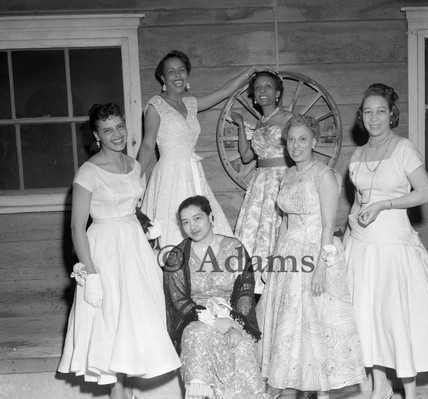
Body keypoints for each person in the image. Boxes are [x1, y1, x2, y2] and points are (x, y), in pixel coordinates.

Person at [58, 103, 181, 399]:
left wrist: (147, 230)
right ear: (96, 136)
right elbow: (77, 228)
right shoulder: (87, 172)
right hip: (104, 248)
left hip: (133, 247)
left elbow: (132, 206)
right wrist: (91, 273)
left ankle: (126, 389)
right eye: (107, 130)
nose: (116, 134)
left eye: (120, 126)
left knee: (134, 317)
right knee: (111, 318)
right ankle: (118, 392)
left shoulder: (134, 165)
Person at [343, 83, 428, 399]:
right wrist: (345, 239)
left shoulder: (404, 148)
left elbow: (424, 192)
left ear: (391, 115)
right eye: (368, 112)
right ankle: (379, 388)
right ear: (362, 116)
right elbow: (359, 203)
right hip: (363, 246)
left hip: (393, 245)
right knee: (368, 316)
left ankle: (410, 392)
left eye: (381, 112)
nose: (374, 118)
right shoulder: (358, 154)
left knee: (396, 317)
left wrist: (384, 204)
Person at [258, 115, 366, 398]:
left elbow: (329, 226)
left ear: (314, 142)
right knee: (290, 326)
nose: (295, 145)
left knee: (317, 327)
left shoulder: (324, 175)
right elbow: (284, 222)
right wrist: (276, 261)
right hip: (289, 256)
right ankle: (294, 386)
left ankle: (321, 391)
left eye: (302, 139)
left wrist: (321, 268)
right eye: (291, 139)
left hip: (316, 253)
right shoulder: (289, 174)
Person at [137, 50, 261, 249]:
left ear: (187, 74)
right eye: (171, 71)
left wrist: (251, 71)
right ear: (163, 77)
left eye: (181, 70)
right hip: (169, 176)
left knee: (204, 226)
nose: (177, 75)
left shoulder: (190, 103)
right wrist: (132, 183)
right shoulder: (155, 106)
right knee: (172, 233)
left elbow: (224, 92)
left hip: (194, 173)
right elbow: (147, 145)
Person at [162, 195, 269, 399]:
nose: (192, 226)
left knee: (242, 345)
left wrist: (235, 325)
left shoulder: (234, 248)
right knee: (197, 337)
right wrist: (211, 321)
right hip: (195, 319)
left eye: (197, 218)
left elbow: (245, 289)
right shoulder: (177, 256)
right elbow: (179, 300)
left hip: (232, 316)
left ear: (211, 217)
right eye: (185, 222)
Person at [231, 70, 293, 294]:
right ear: (254, 96)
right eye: (258, 88)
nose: (263, 91)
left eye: (268, 87)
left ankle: (278, 285)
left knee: (276, 230)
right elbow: (247, 156)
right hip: (260, 184)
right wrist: (241, 127)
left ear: (277, 93)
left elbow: (299, 150)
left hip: (280, 179)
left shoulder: (288, 118)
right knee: (254, 234)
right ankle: (255, 289)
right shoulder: (259, 123)